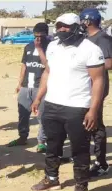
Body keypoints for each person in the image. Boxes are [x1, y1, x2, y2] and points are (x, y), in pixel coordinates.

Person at [30, 13, 105, 191]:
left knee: (79, 149)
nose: (62, 29)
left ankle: (81, 184)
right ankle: (51, 178)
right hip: (52, 104)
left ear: (77, 27)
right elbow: (48, 72)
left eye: (66, 26)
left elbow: (99, 81)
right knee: (52, 146)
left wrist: (93, 110)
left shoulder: (91, 49)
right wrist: (39, 97)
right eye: (59, 26)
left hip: (78, 107)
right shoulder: (53, 46)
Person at [7, 23, 50, 153]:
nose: (38, 39)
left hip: (41, 87)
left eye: (41, 37)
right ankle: (22, 137)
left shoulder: (51, 48)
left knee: (41, 116)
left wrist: (40, 49)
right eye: (36, 36)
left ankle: (42, 141)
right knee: (23, 114)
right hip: (26, 86)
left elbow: (49, 67)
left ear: (46, 35)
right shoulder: (28, 47)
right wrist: (19, 83)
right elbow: (24, 66)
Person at [79, 8, 111, 177]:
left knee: (96, 125)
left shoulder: (103, 38)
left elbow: (109, 62)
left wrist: (89, 66)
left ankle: (101, 163)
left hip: (97, 88)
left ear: (88, 21)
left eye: (82, 20)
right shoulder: (87, 38)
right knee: (84, 123)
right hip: (85, 87)